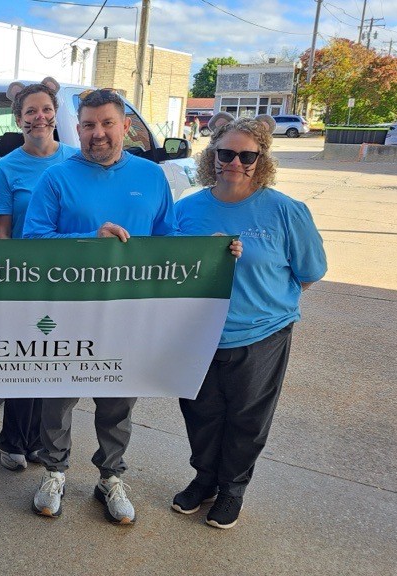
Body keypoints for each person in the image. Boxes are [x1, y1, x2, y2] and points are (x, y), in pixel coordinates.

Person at [22, 88, 182, 525]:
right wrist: (88, 242)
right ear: (78, 128)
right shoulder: (56, 178)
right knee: (57, 399)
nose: (97, 133)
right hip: (67, 313)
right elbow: (33, 241)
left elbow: (170, 243)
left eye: (107, 123)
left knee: (118, 401)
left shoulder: (151, 178)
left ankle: (110, 476)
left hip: (127, 314)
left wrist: (221, 255)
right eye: (89, 125)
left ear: (125, 126)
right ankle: (55, 472)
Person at [173, 116, 326, 529]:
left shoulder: (285, 211)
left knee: (246, 418)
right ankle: (204, 479)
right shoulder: (185, 211)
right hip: (199, 333)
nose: (234, 163)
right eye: (225, 153)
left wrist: (262, 298)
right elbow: (167, 267)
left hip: (262, 335)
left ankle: (231, 490)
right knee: (200, 412)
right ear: (212, 155)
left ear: (262, 159)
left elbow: (310, 272)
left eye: (246, 155)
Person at [0, 78, 77, 472]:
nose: (38, 118)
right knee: (23, 360)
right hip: (25, 279)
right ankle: (12, 442)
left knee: (56, 360)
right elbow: (3, 234)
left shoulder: (76, 161)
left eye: (44, 110)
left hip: (70, 278)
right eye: (29, 112)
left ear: (55, 113)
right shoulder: (6, 169)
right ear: (18, 119)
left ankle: (44, 442)